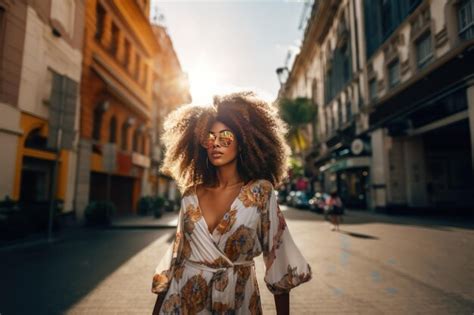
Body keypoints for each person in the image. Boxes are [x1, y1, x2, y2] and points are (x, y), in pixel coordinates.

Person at [151, 92, 312, 314]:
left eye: (225, 136)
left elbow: (278, 257)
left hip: (238, 301)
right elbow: (175, 257)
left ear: (242, 141)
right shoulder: (190, 195)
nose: (216, 143)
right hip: (183, 301)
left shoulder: (261, 193)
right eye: (209, 137)